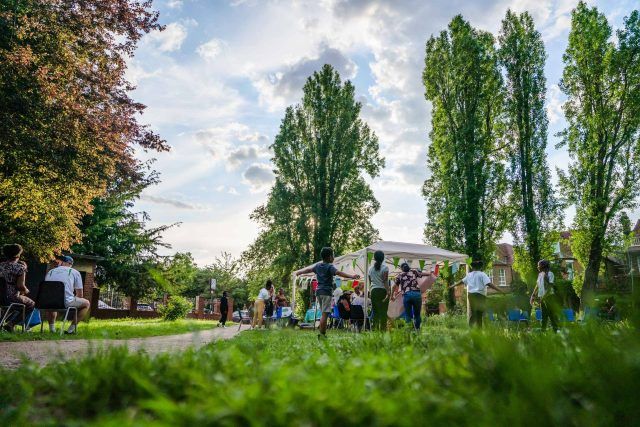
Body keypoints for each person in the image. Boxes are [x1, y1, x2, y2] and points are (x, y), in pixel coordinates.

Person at [294, 247, 360, 340]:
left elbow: (308, 270)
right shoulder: (329, 266)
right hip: (326, 292)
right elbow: (339, 273)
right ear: (329, 257)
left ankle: (322, 334)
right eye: (333, 255)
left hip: (319, 292)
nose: (333, 257)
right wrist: (351, 276)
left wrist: (299, 272)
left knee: (323, 314)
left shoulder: (318, 266)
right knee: (325, 314)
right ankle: (322, 335)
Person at [44, 255, 90, 334]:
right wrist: (73, 298)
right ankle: (70, 330)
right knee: (86, 303)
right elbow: (80, 295)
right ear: (70, 264)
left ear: (62, 262)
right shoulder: (74, 272)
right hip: (65, 302)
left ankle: (52, 329)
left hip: (47, 302)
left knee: (52, 303)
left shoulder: (51, 271)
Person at [453, 259, 503, 328]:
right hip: (480, 295)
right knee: (479, 313)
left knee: (474, 312)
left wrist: (453, 285)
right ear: (480, 267)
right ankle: (478, 329)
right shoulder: (482, 274)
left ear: (473, 267)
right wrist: (499, 290)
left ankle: (471, 327)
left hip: (471, 295)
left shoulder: (469, 275)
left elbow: (461, 281)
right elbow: (489, 284)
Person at [0, 244, 35, 332]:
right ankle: (11, 324)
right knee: (31, 304)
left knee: (10, 305)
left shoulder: (1, 265)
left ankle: (1, 322)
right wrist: (26, 290)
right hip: (11, 297)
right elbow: (20, 286)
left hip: (1, 297)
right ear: (18, 255)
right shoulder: (20, 268)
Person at [395, 262, 429, 330]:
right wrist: (429, 273)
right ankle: (418, 330)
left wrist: (393, 295)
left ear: (402, 269)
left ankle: (409, 331)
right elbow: (423, 274)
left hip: (407, 295)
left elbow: (394, 286)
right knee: (417, 315)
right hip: (416, 294)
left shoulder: (400, 275)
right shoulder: (414, 271)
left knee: (408, 315)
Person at [530, 260, 559, 331]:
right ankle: (543, 331)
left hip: (549, 297)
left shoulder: (550, 274)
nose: (538, 267)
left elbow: (550, 287)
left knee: (551, 315)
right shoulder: (540, 274)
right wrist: (533, 295)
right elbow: (537, 285)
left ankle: (555, 330)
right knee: (544, 315)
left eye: (539, 265)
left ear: (543, 266)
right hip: (542, 297)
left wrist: (543, 297)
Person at [368, 250, 390, 331]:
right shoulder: (385, 268)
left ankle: (375, 330)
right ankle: (383, 330)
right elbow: (385, 281)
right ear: (383, 258)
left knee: (376, 311)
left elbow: (370, 282)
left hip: (373, 291)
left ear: (374, 258)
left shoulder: (370, 269)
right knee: (383, 312)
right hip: (382, 291)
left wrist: (370, 291)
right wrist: (388, 291)